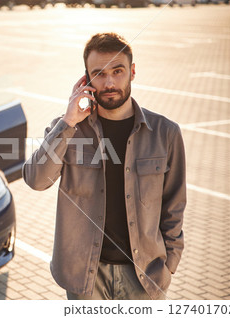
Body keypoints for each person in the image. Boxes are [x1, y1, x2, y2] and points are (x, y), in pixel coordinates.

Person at [22, 32, 186, 300]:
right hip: (84, 278)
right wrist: (68, 121)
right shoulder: (68, 129)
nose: (109, 82)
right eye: (99, 73)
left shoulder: (165, 133)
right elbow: (36, 180)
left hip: (145, 277)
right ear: (86, 80)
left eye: (118, 71)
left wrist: (170, 263)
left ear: (132, 72)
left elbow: (174, 205)